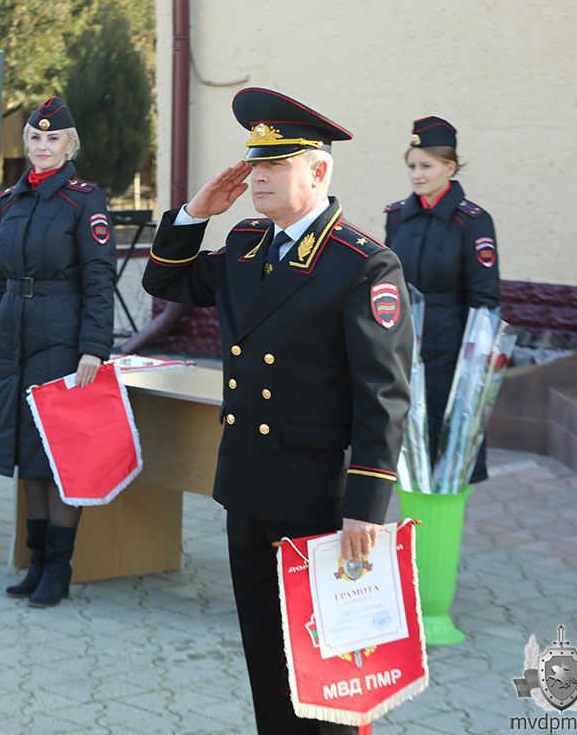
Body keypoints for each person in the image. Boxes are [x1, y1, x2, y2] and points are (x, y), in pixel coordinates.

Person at [142, 87, 413, 734]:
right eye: (254, 164)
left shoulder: (362, 265)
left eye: (275, 165)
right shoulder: (243, 244)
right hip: (249, 483)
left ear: (317, 172)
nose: (257, 177)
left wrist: (366, 511)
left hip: (320, 499)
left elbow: (383, 397)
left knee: (330, 665)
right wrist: (193, 213)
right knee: (267, 653)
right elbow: (166, 282)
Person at [0, 96, 116, 608]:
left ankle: (59, 569)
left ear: (70, 145)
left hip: (62, 329)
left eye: (52, 138)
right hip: (13, 329)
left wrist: (94, 347)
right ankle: (35, 564)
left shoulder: (84, 200)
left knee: (58, 453)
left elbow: (101, 279)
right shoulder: (12, 200)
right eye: (35, 137)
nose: (42, 146)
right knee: (27, 452)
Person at [385, 116, 500, 483]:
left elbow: (485, 298)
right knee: (403, 436)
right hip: (404, 342)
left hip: (451, 346)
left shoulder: (473, 221)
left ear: (449, 167)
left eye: (427, 166)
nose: (417, 175)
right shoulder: (397, 217)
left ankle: (439, 521)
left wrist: (474, 362)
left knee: (445, 438)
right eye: (412, 166)